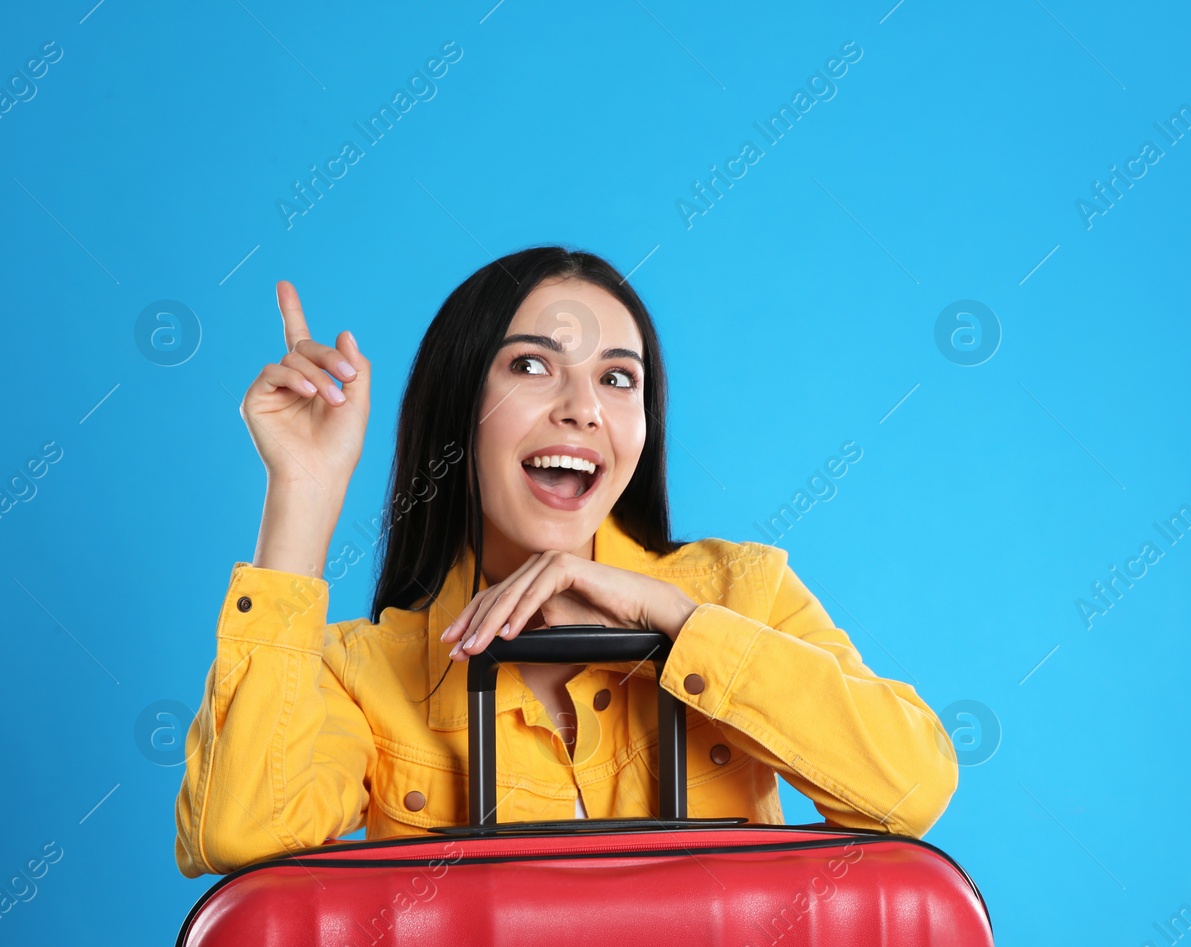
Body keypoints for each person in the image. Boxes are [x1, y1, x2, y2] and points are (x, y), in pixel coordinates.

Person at [173, 246, 957, 878]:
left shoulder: (736, 592)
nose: (582, 407)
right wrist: (303, 495)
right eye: (532, 365)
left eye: (619, 378)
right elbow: (239, 834)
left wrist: (670, 620)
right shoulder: (366, 671)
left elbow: (910, 787)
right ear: (459, 411)